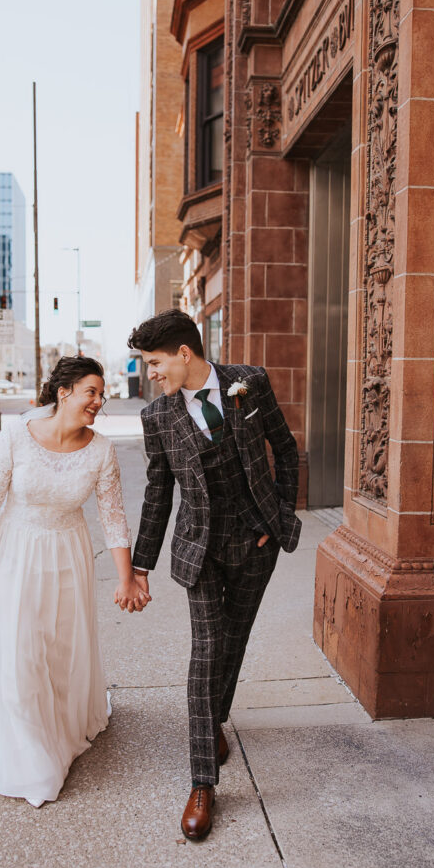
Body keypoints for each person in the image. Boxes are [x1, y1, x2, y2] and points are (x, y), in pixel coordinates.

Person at [128, 310, 301, 840]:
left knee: (234, 643)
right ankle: (203, 781)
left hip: (257, 539)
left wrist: (280, 515)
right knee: (207, 652)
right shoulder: (158, 418)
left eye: (154, 362)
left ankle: (211, 723)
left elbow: (286, 450)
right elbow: (159, 492)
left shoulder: (250, 382)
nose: (150, 373)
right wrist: (140, 565)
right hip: (199, 547)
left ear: (184, 353)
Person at [0, 356, 150, 808]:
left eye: (102, 395)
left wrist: (126, 580)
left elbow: (114, 518)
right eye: (92, 392)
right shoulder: (15, 438)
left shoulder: (101, 450)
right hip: (17, 552)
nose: (99, 402)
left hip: (68, 552)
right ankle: (32, 758)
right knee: (23, 650)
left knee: (61, 648)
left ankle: (61, 722)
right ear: (64, 393)